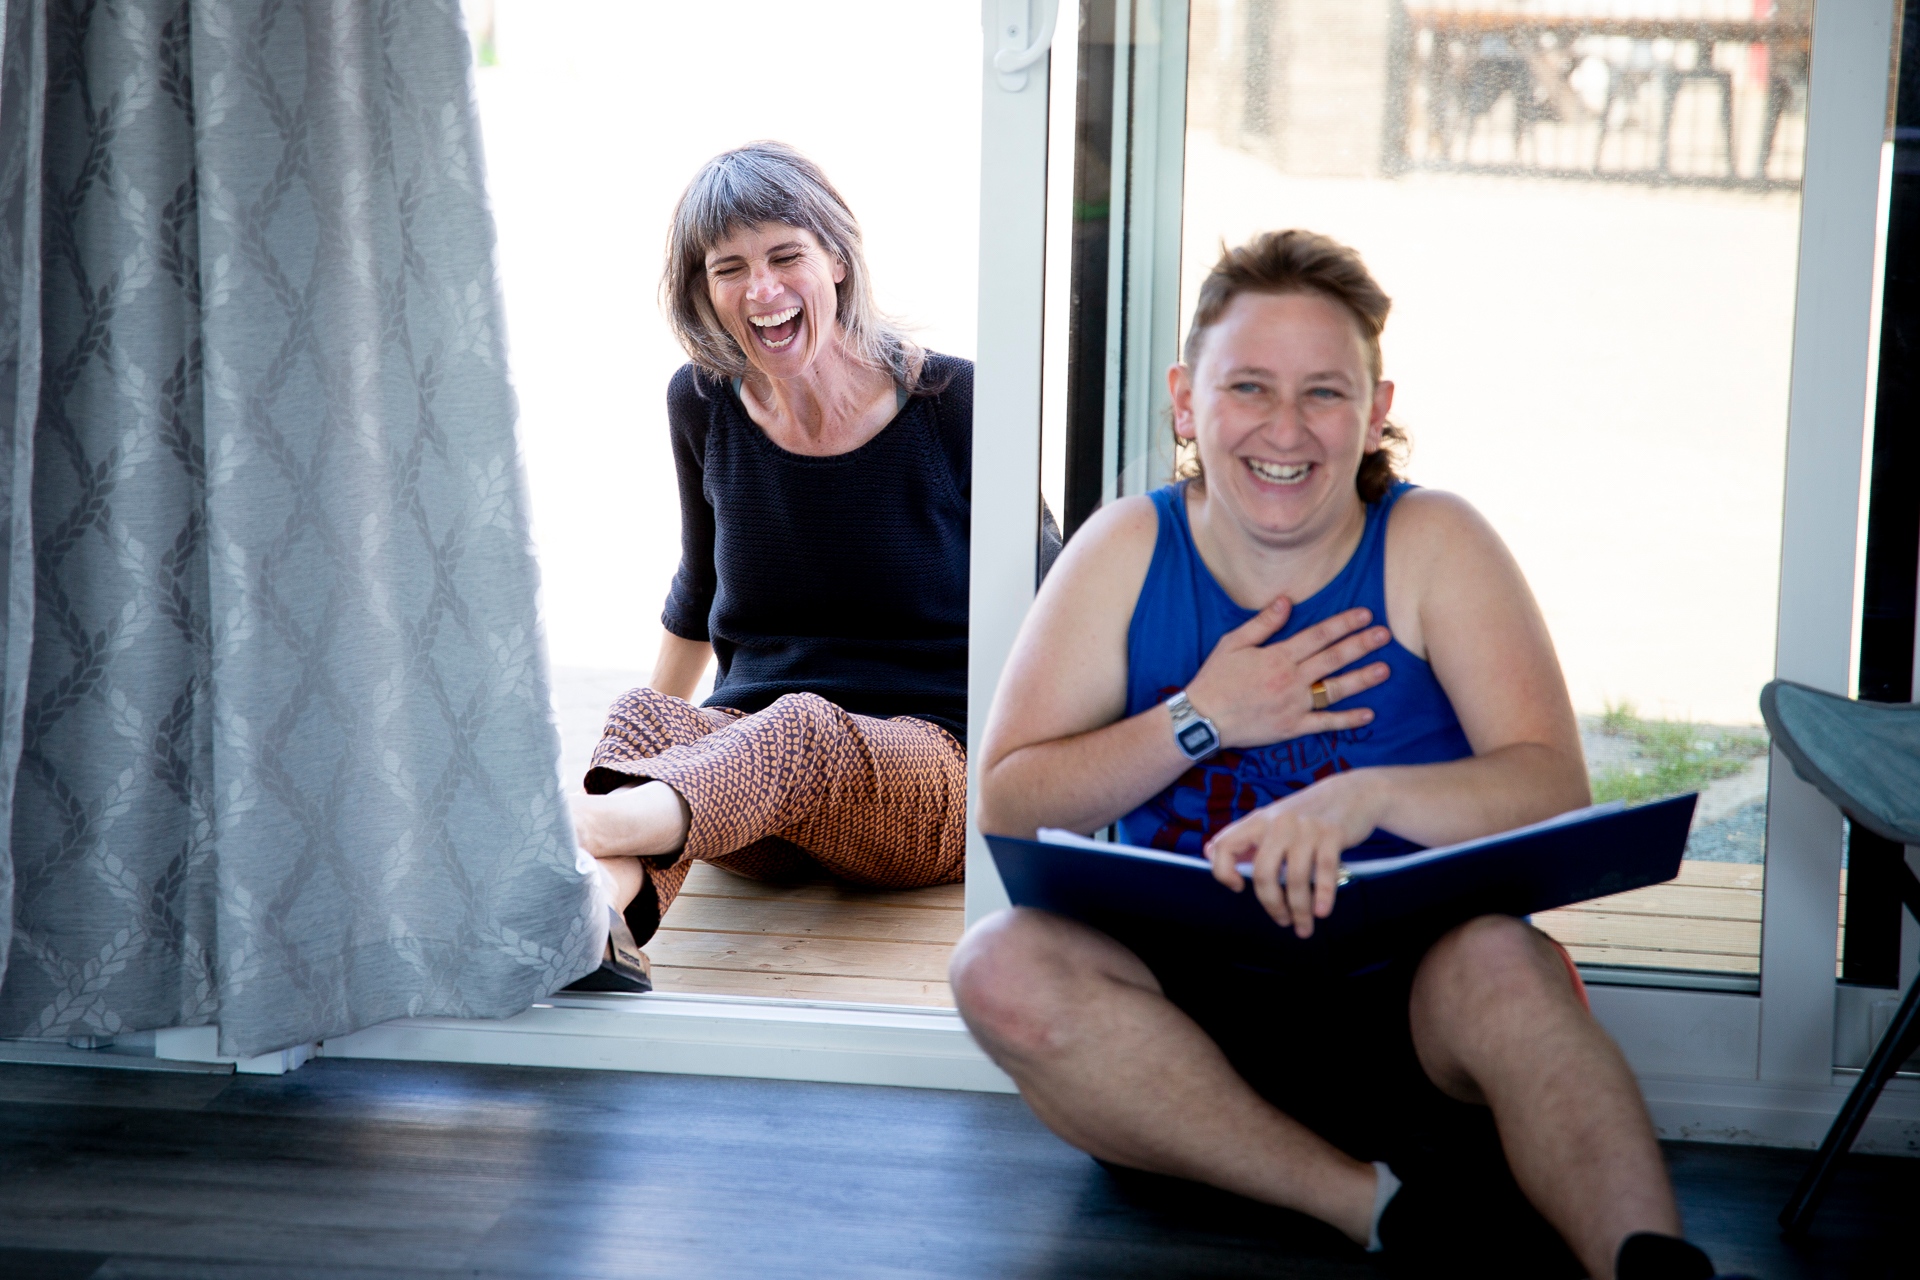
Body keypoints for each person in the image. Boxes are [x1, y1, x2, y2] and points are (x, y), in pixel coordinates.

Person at [950, 231, 1744, 1279]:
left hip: (1414, 1016)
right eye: (1250, 387)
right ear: (1189, 401)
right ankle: (1371, 1206)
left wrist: (1361, 799)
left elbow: (1552, 782)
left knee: (1505, 959)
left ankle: (1649, 1265)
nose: (1286, 429)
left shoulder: (1434, 543)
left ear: (1375, 409)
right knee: (995, 962)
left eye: (1325, 392)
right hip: (1180, 1043)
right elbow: (1007, 798)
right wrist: (1204, 714)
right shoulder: (1126, 550)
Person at [565, 141, 983, 991]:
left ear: (835, 258)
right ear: (703, 292)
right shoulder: (702, 402)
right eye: (730, 268)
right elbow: (699, 587)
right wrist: (663, 731)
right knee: (648, 714)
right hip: (753, 794)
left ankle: (574, 828)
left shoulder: (955, 404)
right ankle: (593, 930)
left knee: (803, 725)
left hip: (931, 780)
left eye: (785, 256)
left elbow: (1051, 591)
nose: (762, 290)